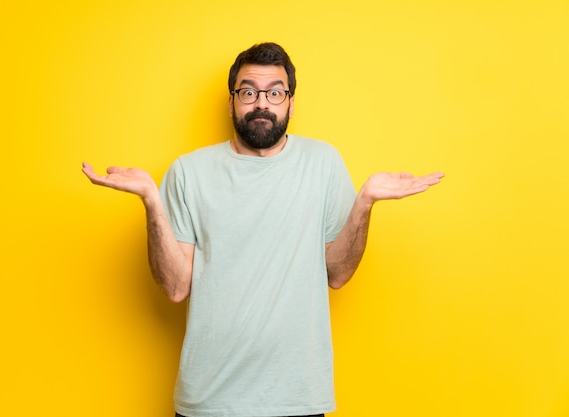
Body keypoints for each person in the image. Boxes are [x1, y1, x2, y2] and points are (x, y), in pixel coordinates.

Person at [82, 42, 444, 417]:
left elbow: (337, 274)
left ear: (290, 102)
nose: (261, 103)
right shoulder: (189, 172)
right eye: (248, 91)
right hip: (209, 401)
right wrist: (151, 202)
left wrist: (365, 202)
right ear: (232, 102)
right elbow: (175, 288)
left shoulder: (323, 163)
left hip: (298, 398)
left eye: (275, 92)